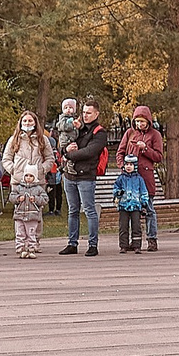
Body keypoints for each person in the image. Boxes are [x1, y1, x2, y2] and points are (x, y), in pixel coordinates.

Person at [57, 102, 107, 256]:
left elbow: (90, 152)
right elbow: (62, 143)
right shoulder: (77, 128)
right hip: (70, 175)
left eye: (89, 113)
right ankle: (72, 243)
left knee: (89, 210)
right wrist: (65, 150)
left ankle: (93, 244)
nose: (85, 115)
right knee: (72, 210)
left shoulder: (99, 132)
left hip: (86, 176)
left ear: (96, 114)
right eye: (84, 112)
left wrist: (68, 155)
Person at [3, 113, 53, 259]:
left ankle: (34, 241)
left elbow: (50, 158)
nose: (27, 122)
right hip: (18, 181)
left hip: (37, 182)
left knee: (36, 212)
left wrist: (42, 170)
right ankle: (20, 242)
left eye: (30, 120)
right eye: (24, 120)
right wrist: (14, 170)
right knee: (19, 212)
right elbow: (6, 159)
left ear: (35, 122)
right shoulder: (14, 140)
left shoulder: (43, 140)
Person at [124, 105, 166, 251]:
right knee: (131, 210)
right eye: (137, 121)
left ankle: (152, 239)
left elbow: (159, 157)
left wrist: (145, 148)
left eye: (142, 122)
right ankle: (134, 240)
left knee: (148, 209)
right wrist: (123, 166)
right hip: (130, 179)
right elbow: (120, 152)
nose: (139, 124)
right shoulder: (129, 133)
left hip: (146, 177)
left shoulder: (155, 135)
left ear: (148, 121)